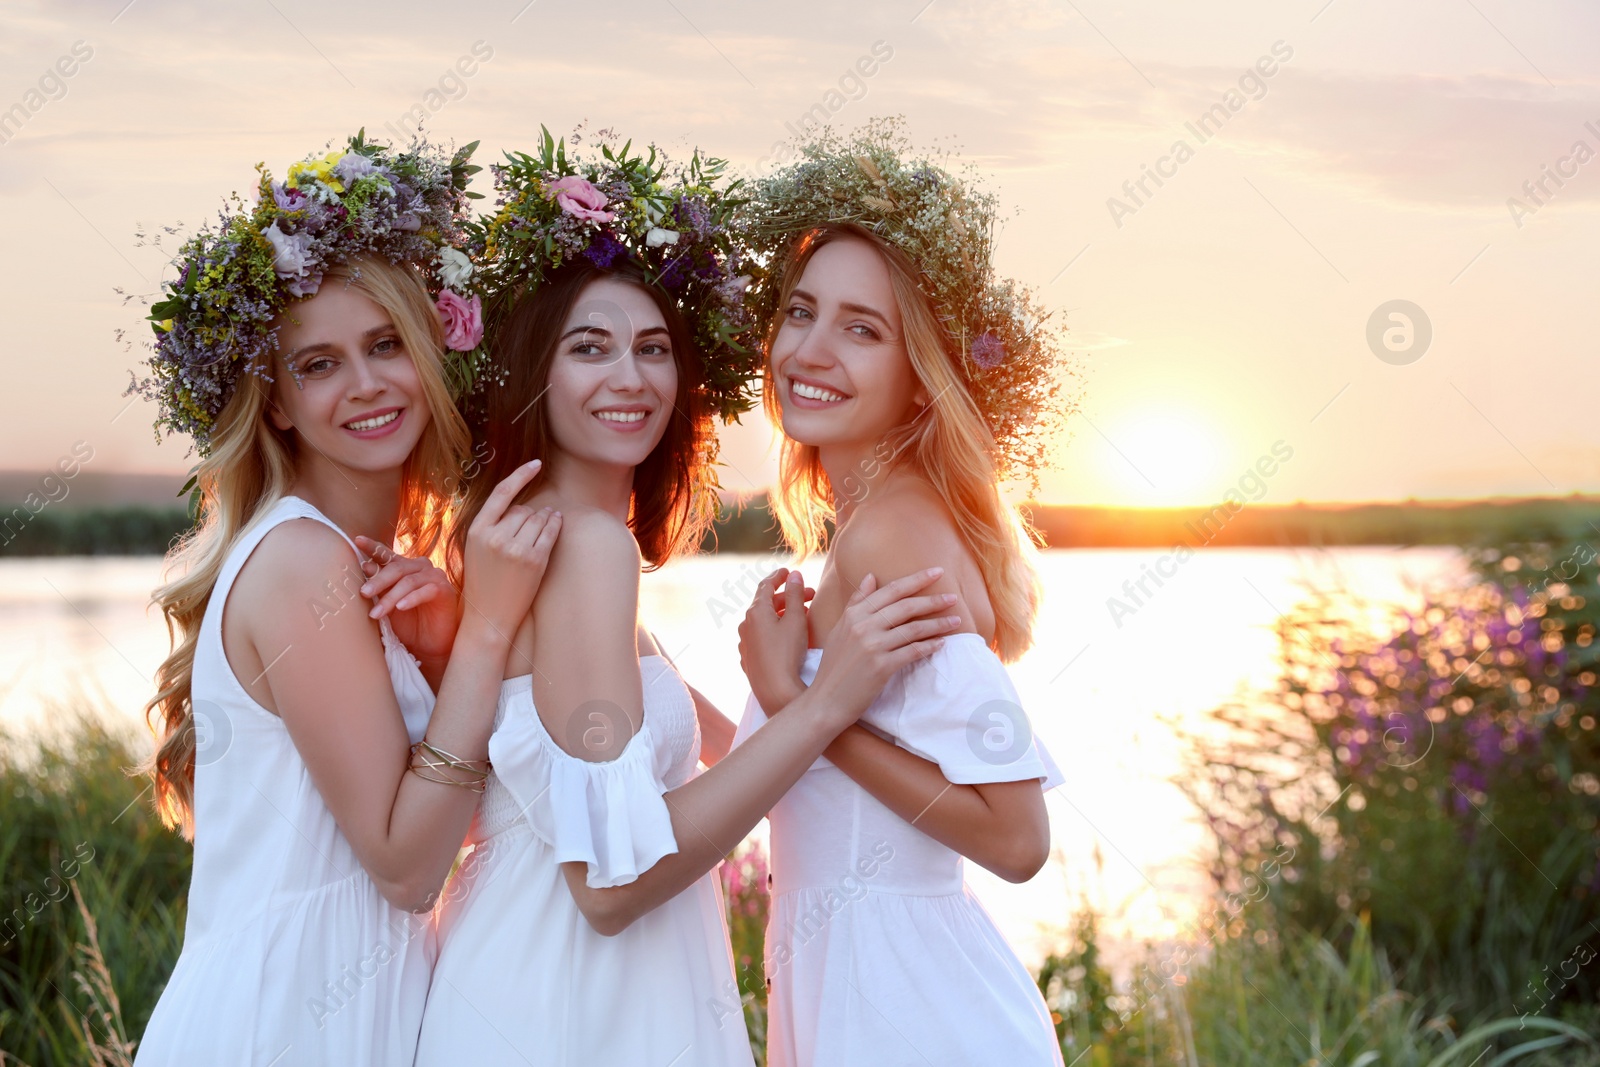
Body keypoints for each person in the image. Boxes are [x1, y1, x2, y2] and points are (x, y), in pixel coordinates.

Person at [402, 131, 963, 1065]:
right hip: (569, 1010)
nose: (631, 377)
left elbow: (686, 758)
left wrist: (795, 701)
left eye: (653, 348)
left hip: (548, 988)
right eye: (591, 348)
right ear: (535, 372)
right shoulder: (585, 548)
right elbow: (614, 885)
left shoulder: (550, 542)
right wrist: (827, 702)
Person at [129, 134, 561, 1066]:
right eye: (318, 364)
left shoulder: (361, 561)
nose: (365, 385)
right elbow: (407, 866)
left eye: (385, 344)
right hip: (283, 1022)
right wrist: (485, 632)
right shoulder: (296, 564)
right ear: (276, 402)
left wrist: (449, 642)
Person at [730, 119, 1075, 1065]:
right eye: (800, 312)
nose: (810, 348)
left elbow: (1017, 837)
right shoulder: (879, 524)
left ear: (921, 378)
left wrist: (799, 705)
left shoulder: (891, 535)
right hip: (867, 983)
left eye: (861, 328)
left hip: (904, 1006)